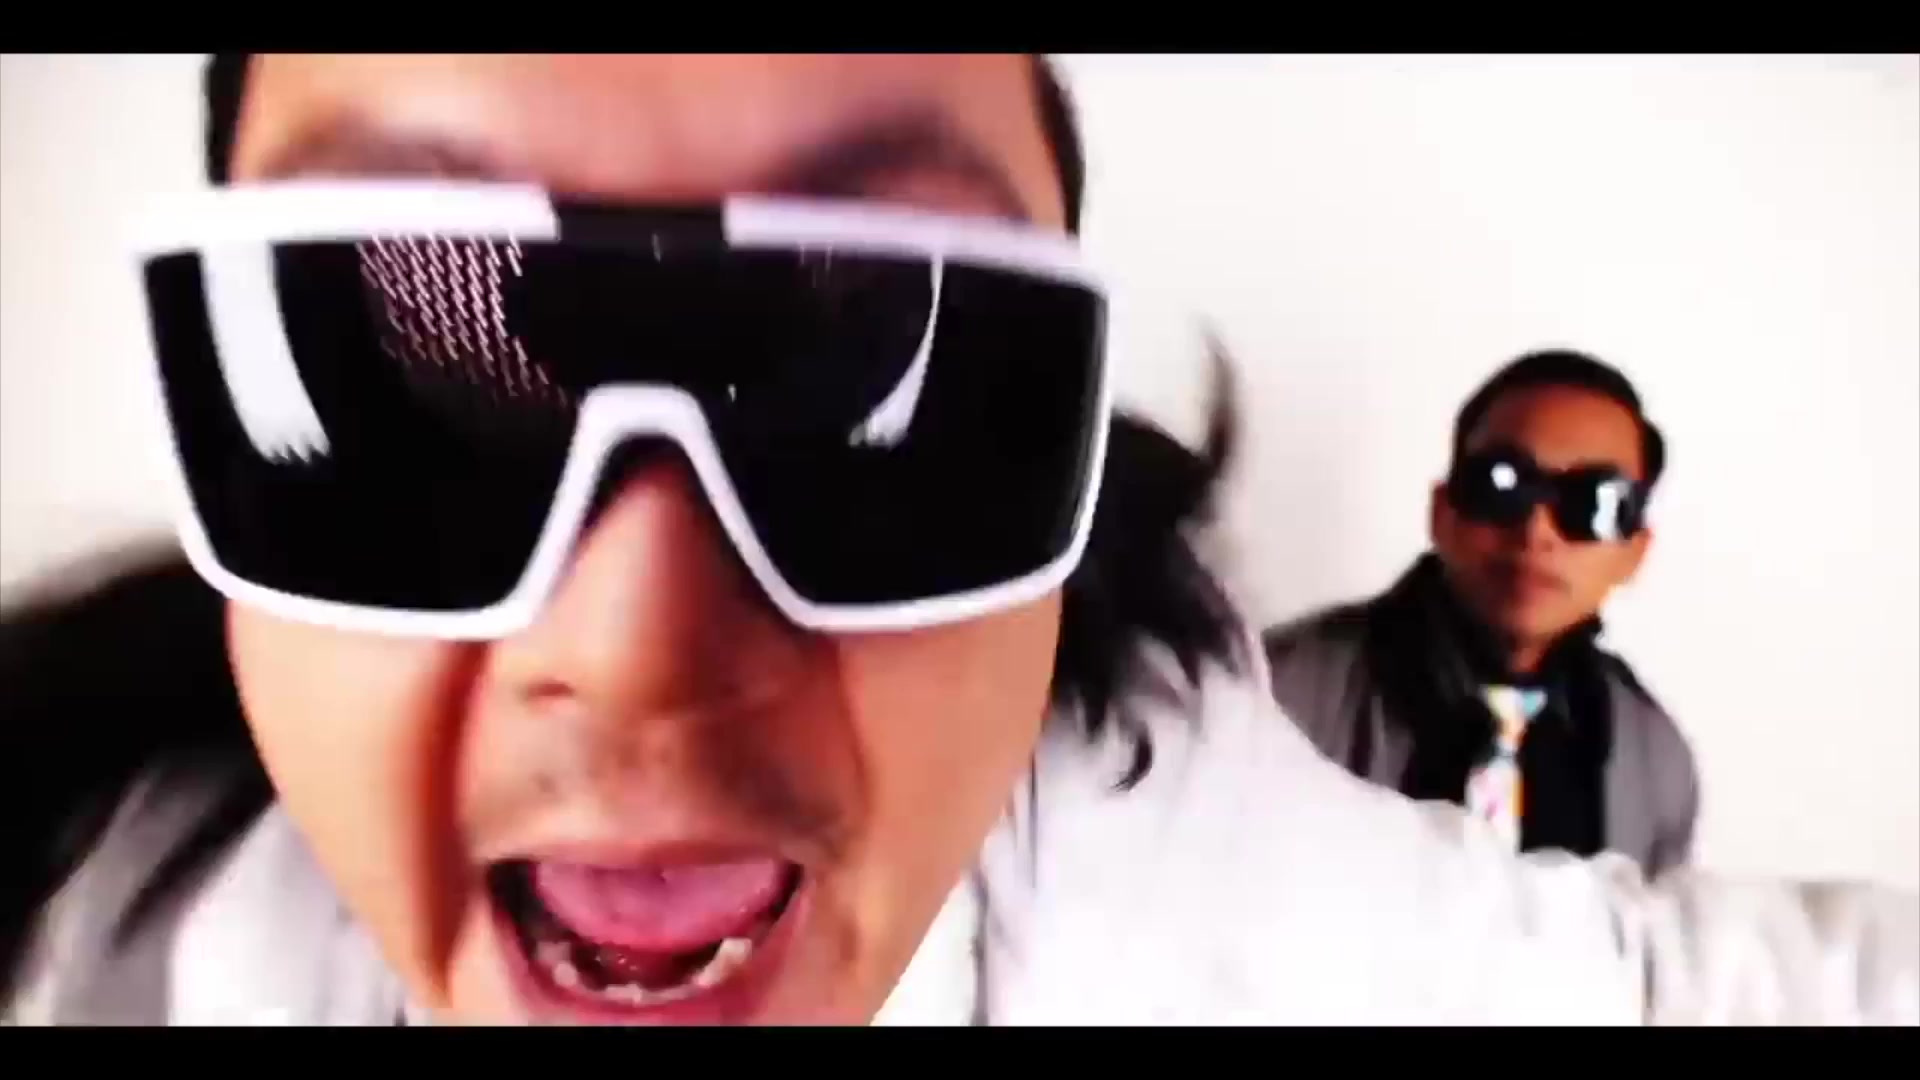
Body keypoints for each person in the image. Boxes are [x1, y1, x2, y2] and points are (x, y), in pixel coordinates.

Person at [1, 54, 1913, 1027]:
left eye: (886, 391)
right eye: (403, 381)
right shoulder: (93, 941)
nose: (647, 645)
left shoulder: (1186, 846)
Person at [1265, 351, 1697, 876]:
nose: (1536, 531)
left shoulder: (1656, 761)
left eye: (1593, 503)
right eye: (1502, 484)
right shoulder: (1270, 699)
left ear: (1635, 552)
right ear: (1442, 512)